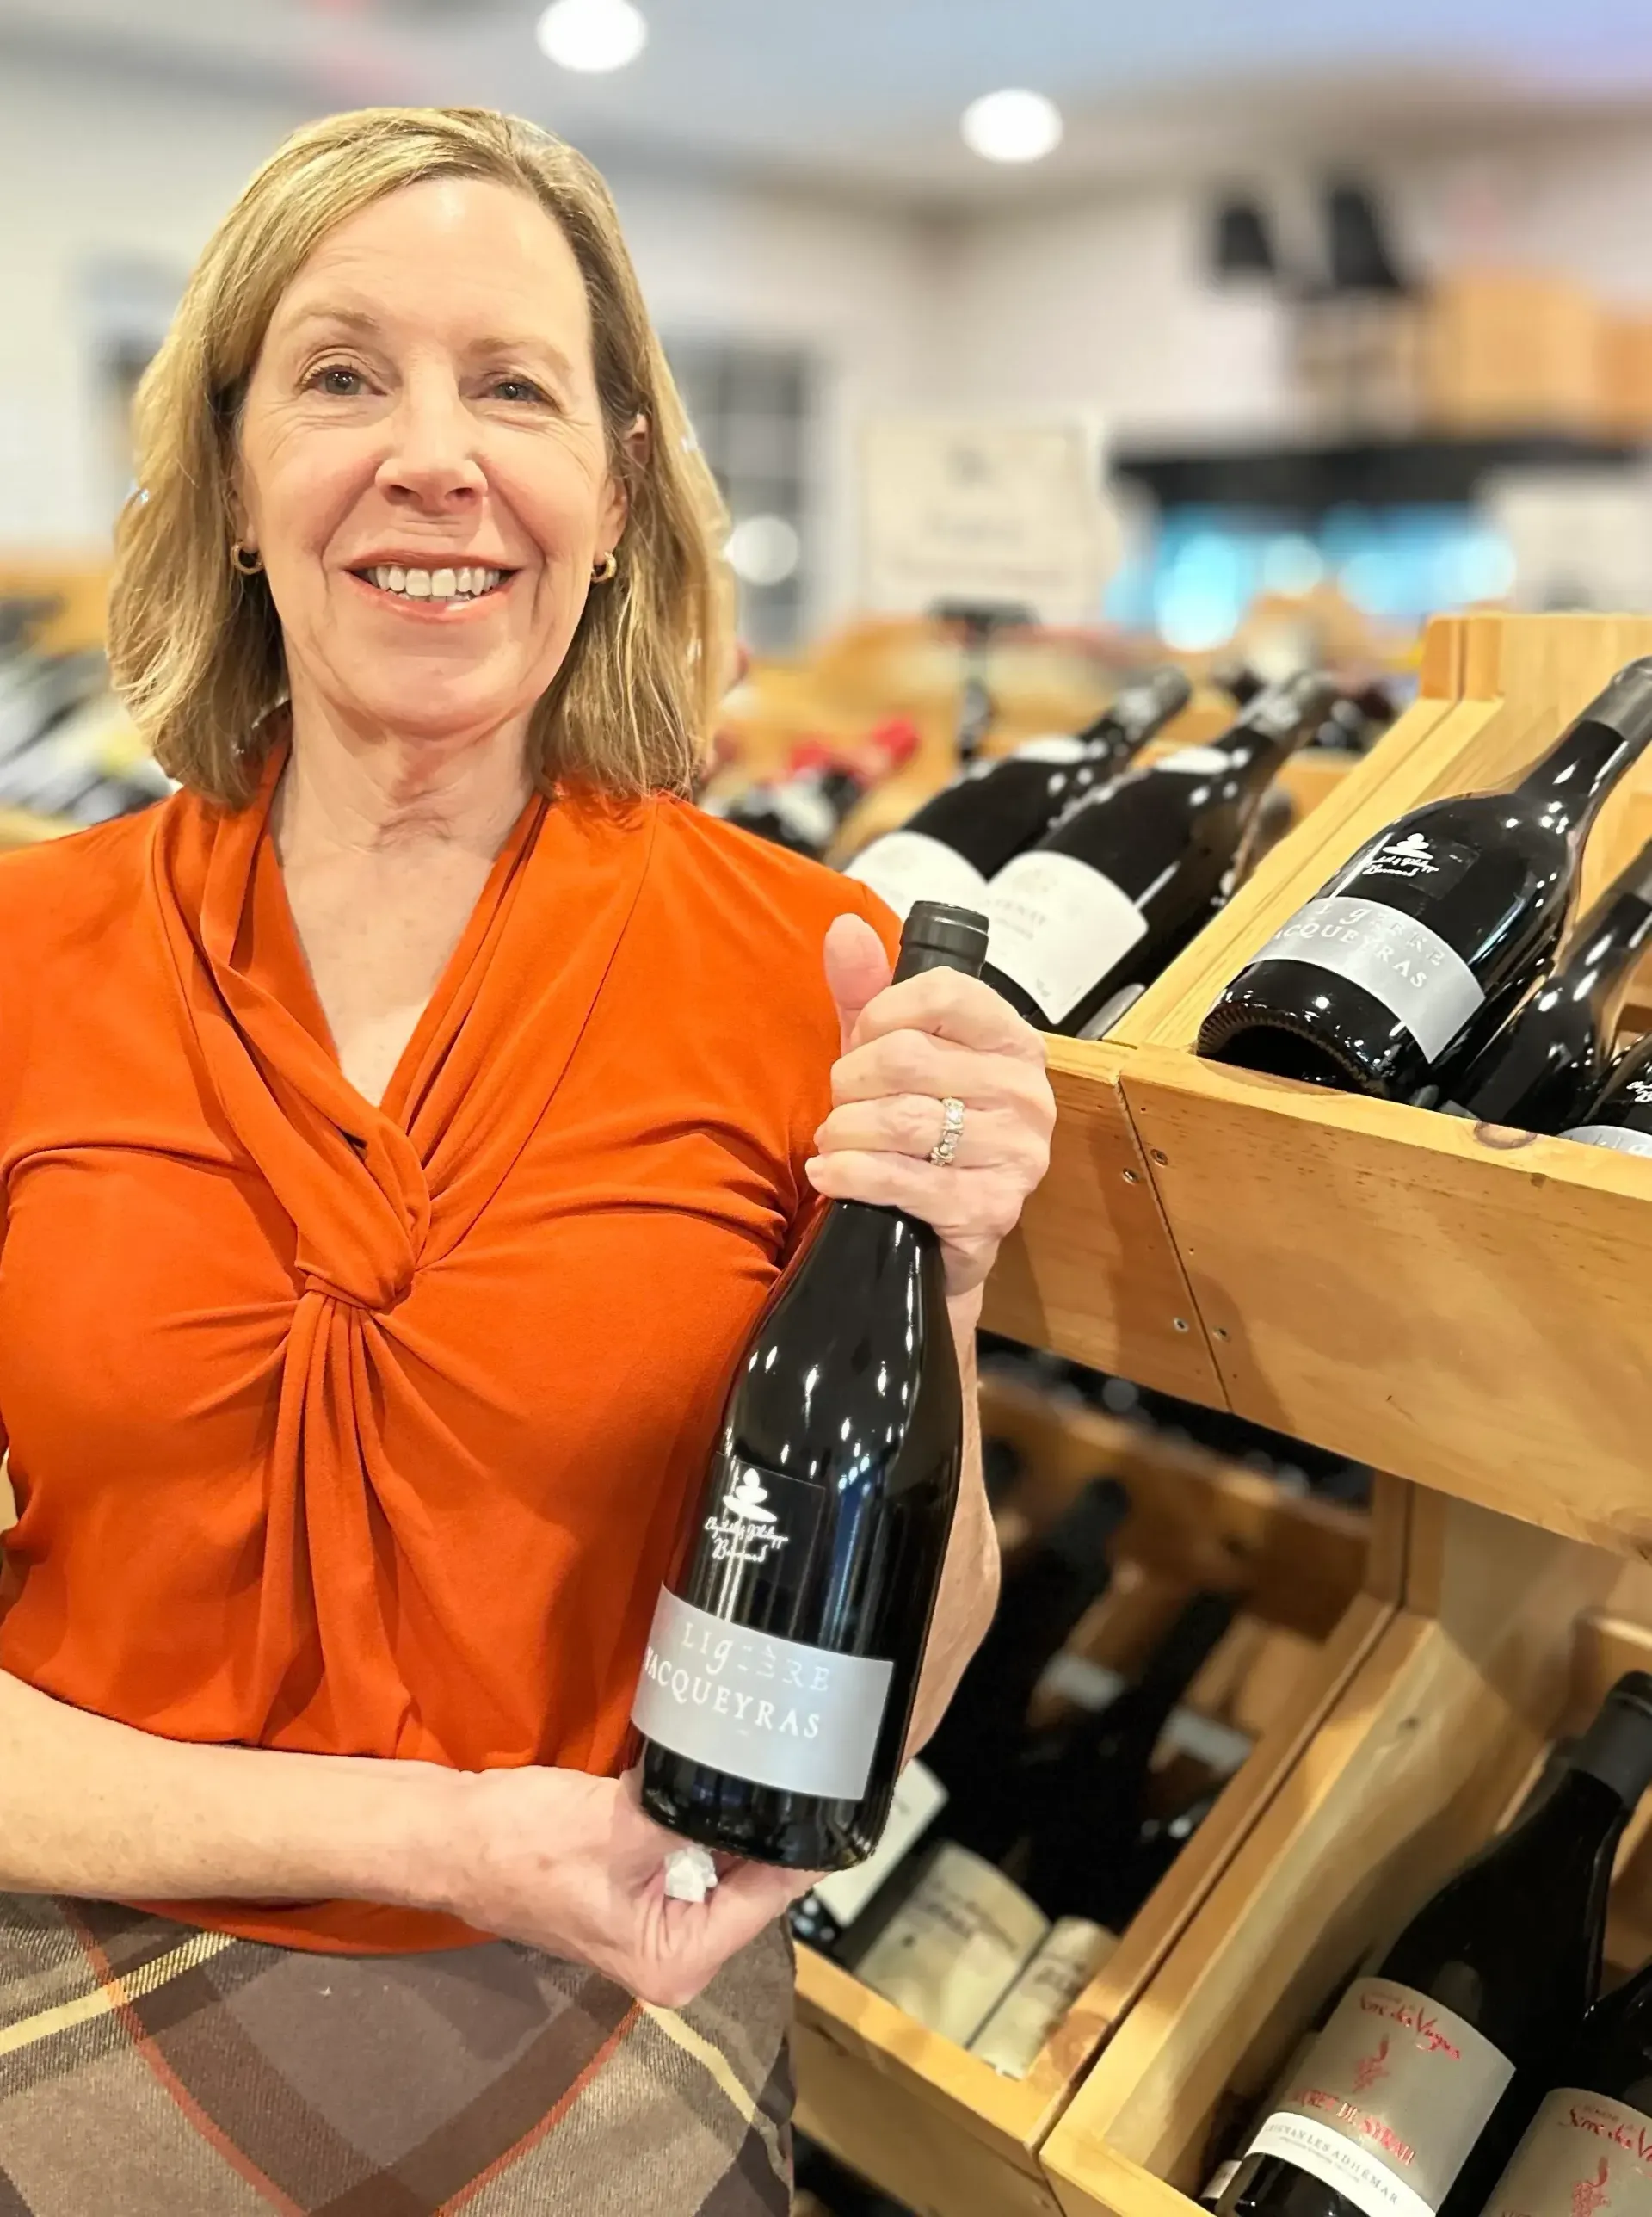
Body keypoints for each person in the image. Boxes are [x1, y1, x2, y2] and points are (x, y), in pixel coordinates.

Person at [0, 107, 1055, 2215]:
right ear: (226, 480)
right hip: (61, 2015)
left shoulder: (810, 977)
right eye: (340, 374)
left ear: (619, 487)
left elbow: (886, 1668)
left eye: (516, 387)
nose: (434, 457)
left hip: (618, 2049)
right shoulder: (23, 958)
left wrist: (938, 1289)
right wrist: (432, 1843)